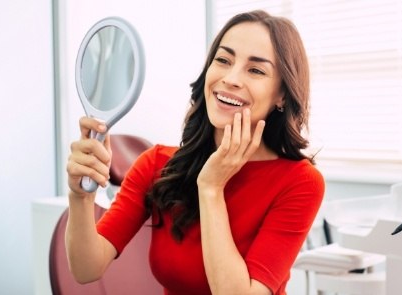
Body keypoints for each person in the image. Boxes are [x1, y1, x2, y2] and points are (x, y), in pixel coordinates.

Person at [66, 10, 325, 295]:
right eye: (223, 60)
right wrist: (81, 197)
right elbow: (86, 269)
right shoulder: (156, 164)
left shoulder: (300, 182)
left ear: (282, 95)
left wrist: (211, 188)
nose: (231, 78)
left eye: (256, 70)